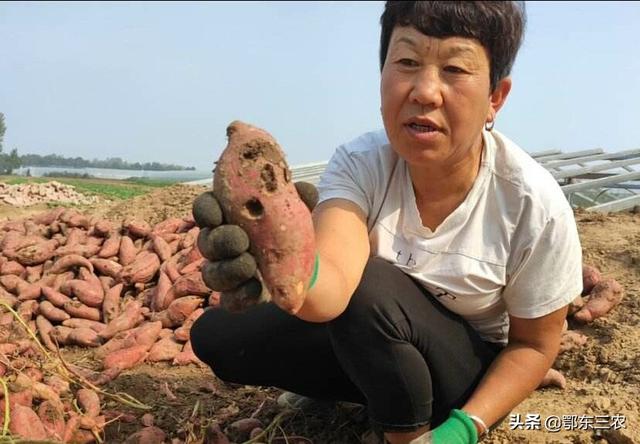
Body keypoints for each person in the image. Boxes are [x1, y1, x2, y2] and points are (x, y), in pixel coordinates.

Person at [190, 2, 583, 443]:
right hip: (375, 335)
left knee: (371, 290)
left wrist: (462, 430)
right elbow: (334, 285)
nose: (425, 91)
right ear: (382, 76)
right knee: (220, 335)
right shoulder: (361, 163)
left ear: (496, 97)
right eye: (407, 62)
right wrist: (282, 261)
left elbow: (533, 345)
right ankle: (370, 393)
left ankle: (407, 434)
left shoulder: (533, 203)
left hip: (465, 372)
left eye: (454, 69)